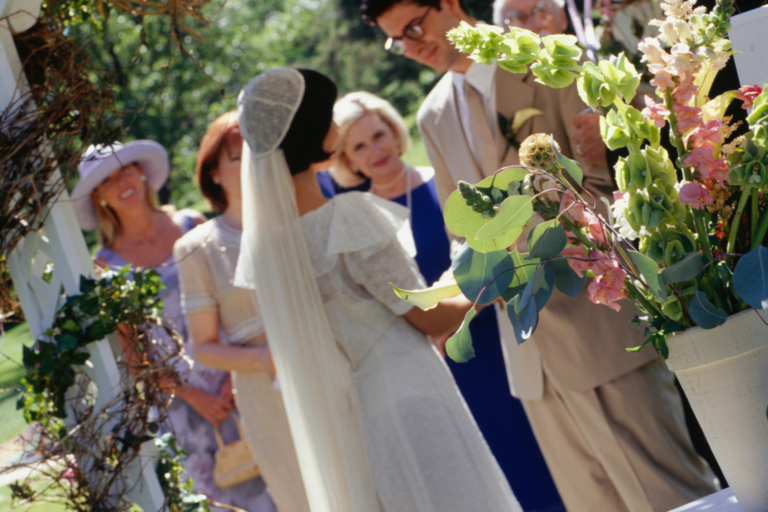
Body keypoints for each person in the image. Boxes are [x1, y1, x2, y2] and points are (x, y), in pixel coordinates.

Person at [360, 0, 720, 510]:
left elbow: (642, 137)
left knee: (673, 498)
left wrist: (609, 147)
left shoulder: (545, 61)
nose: (413, 46)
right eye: (398, 39)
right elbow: (464, 232)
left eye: (415, 26)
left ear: (450, 5)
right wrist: (446, 301)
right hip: (529, 362)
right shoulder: (432, 113)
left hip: (603, 329)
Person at [234, 67, 522, 512]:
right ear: (313, 132)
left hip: (354, 420)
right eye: (329, 117)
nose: (336, 125)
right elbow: (431, 318)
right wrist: (494, 273)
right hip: (413, 396)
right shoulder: (348, 216)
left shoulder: (267, 253)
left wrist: (455, 279)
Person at [318, 90, 564, 512]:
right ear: (346, 159)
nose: (374, 150)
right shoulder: (355, 217)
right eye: (359, 145)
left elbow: (492, 253)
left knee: (535, 460)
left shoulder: (447, 188)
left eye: (379, 135)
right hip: (432, 368)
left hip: (493, 345)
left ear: (396, 134)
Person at [70, 140, 276, 512]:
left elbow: (234, 300)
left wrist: (234, 373)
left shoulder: (191, 224)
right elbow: (134, 355)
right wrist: (197, 398)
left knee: (284, 476)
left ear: (142, 172)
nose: (122, 182)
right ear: (98, 196)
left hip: (241, 372)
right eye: (108, 179)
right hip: (182, 406)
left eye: (126, 169)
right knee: (221, 499)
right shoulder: (105, 267)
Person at [174, 111, 311, 512]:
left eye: (258, 151)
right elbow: (204, 347)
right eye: (236, 157)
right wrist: (266, 358)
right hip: (265, 395)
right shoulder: (196, 248)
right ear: (213, 173)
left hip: (332, 370)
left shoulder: (302, 217)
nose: (251, 162)